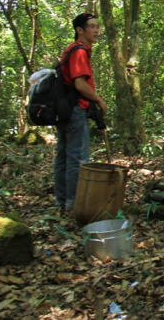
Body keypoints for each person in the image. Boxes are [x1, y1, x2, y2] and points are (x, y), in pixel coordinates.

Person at [55, 13, 107, 212]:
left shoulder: (72, 50)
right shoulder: (78, 51)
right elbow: (79, 83)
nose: (96, 30)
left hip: (65, 110)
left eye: (97, 26)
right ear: (80, 30)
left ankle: (62, 200)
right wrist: (98, 100)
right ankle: (74, 203)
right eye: (92, 26)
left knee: (63, 156)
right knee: (77, 158)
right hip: (75, 110)